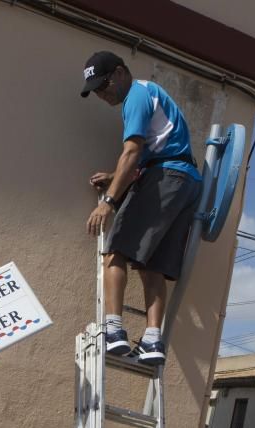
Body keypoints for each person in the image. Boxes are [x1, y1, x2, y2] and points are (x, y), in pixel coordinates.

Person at [80, 51, 203, 365]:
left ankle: (113, 331)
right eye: (95, 90)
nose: (101, 94)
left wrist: (108, 203)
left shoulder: (135, 96)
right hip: (184, 181)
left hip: (164, 178)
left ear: (121, 73)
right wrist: (114, 176)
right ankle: (152, 341)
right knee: (152, 266)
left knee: (114, 252)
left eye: (103, 84)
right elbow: (153, 152)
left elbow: (132, 152)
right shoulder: (151, 94)